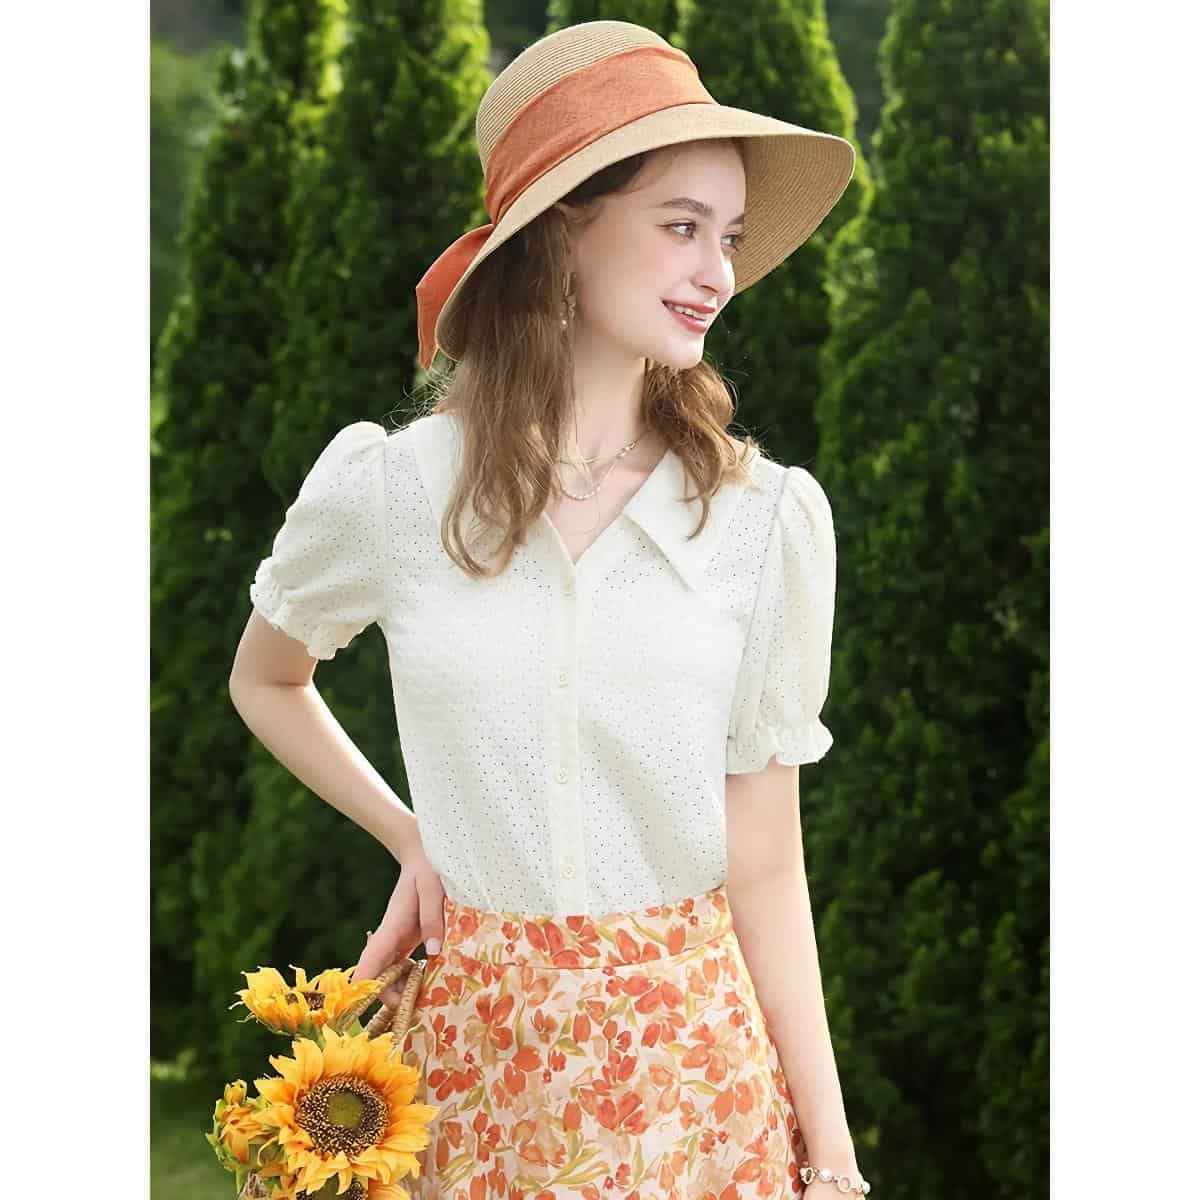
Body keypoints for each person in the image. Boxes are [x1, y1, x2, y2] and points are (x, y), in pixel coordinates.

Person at [229, 19, 872, 1200]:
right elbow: (267, 675)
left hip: (694, 1083)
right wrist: (413, 835)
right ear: (561, 231)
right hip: (472, 1076)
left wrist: (828, 1158)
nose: (719, 273)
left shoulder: (759, 520)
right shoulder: (392, 489)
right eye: (681, 227)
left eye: (727, 237)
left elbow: (769, 867)